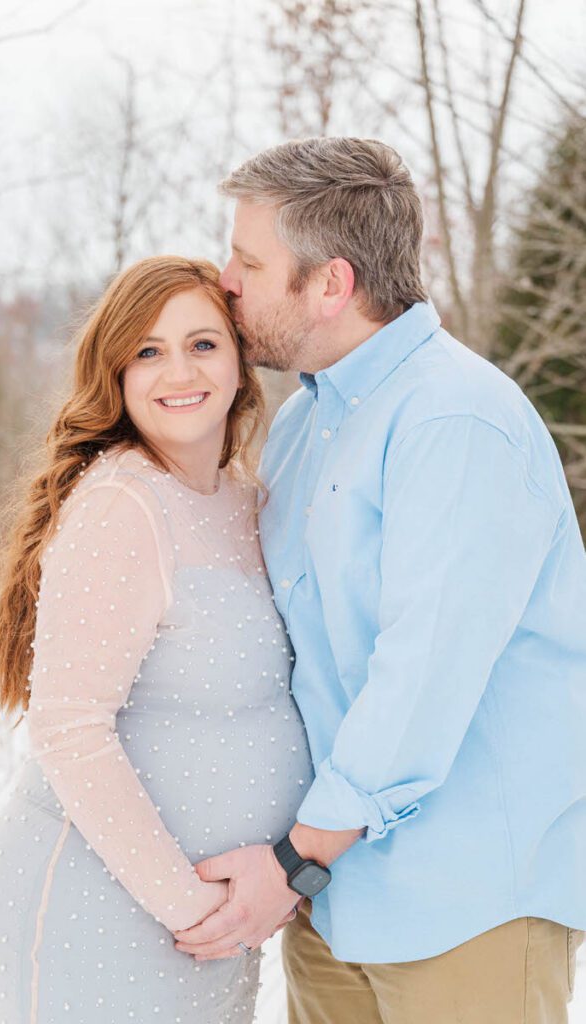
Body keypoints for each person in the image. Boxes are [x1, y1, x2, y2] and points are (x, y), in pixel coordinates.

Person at [172, 138, 586, 1024]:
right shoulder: (301, 426)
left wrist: (293, 859)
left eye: (249, 260)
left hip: (464, 903)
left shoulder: (455, 419)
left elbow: (423, 672)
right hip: (331, 899)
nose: (226, 278)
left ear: (331, 283)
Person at [0, 255, 313, 1024]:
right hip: (105, 910)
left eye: (202, 343)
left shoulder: (247, 501)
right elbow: (68, 727)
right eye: (147, 351)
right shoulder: (123, 503)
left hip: (216, 927)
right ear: (116, 374)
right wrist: (188, 906)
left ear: (238, 359)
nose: (177, 370)